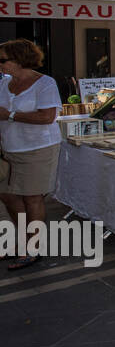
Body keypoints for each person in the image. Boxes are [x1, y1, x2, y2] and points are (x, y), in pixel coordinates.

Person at [0, 40, 62, 269]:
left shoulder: (44, 83)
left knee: (32, 198)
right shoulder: (4, 83)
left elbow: (47, 117)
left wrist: (11, 115)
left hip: (38, 148)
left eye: (3, 60)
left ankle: (33, 248)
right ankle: (23, 239)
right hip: (10, 148)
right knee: (7, 195)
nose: (0, 64)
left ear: (19, 59)